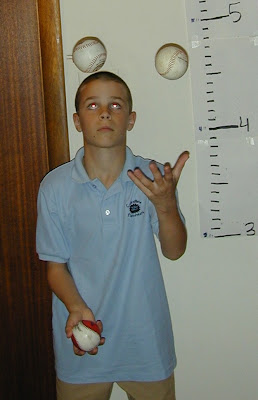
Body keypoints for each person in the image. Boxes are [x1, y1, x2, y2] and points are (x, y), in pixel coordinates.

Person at [36, 71, 189, 400]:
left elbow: (175, 251)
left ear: (130, 119)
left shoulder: (153, 179)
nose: (105, 112)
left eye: (115, 105)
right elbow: (55, 267)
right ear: (77, 121)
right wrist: (77, 307)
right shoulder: (54, 188)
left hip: (146, 344)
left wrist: (164, 204)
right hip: (81, 344)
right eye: (93, 105)